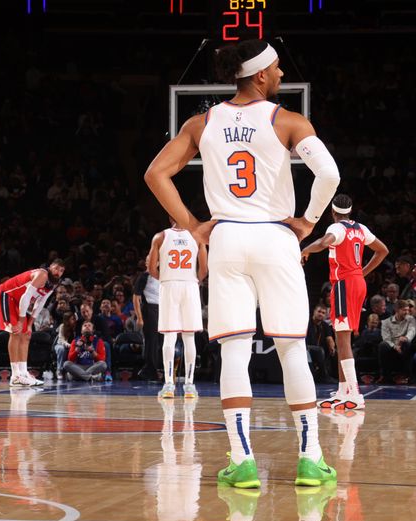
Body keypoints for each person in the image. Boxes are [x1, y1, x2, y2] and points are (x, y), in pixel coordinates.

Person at [144, 39, 340, 487]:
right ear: (259, 76)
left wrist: (193, 223)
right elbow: (329, 175)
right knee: (291, 348)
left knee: (233, 349)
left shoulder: (201, 122)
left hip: (227, 235)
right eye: (276, 69)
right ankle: (310, 459)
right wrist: (309, 221)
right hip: (276, 235)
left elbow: (155, 173)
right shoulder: (288, 120)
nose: (281, 75)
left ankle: (242, 461)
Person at [301, 194, 389, 409]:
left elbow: (324, 242)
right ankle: (343, 391)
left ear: (333, 212)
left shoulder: (337, 229)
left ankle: (355, 394)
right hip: (358, 283)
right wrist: (363, 271)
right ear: (350, 211)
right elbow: (383, 250)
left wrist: (305, 249)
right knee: (345, 338)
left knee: (342, 340)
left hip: (343, 284)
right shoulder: (360, 229)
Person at [147, 220, 207, 399]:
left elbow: (151, 268)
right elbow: (204, 269)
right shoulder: (197, 236)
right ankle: (189, 386)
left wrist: (166, 277)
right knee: (189, 337)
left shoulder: (160, 236)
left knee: (169, 336)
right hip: (190, 285)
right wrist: (193, 279)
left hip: (169, 285)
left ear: (169, 219)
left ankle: (169, 385)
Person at [0, 260, 65, 387]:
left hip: (17, 301)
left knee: (26, 334)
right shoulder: (42, 274)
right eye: (56, 268)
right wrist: (21, 321)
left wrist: (29, 324)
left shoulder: (54, 283)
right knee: (15, 332)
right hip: (6, 294)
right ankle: (15, 376)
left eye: (61, 270)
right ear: (50, 267)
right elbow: (26, 297)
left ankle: (23, 372)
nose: (58, 272)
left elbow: (41, 302)